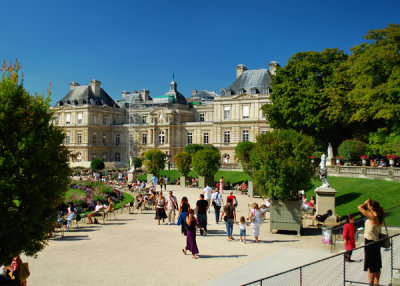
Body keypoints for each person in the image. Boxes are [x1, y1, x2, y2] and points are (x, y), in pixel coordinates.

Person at [358, 199, 385, 286]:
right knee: (377, 265)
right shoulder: (379, 216)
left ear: (372, 207)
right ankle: (376, 283)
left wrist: (365, 203)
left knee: (370, 266)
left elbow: (359, 207)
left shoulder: (372, 216)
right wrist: (369, 206)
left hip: (369, 242)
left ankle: (371, 283)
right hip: (376, 242)